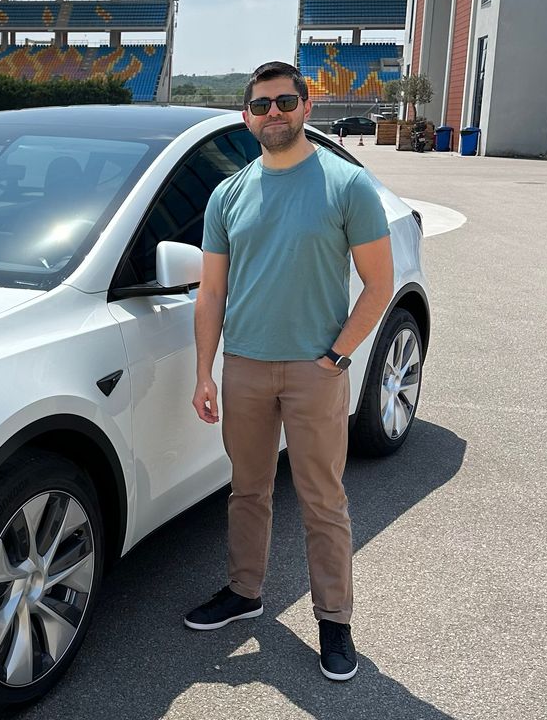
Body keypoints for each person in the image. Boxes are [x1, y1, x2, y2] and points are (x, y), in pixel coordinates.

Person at [184, 61, 394, 681]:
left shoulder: (345, 185)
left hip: (314, 370)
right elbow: (212, 293)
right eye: (259, 106)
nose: (271, 114)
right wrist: (206, 372)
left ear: (305, 106)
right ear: (247, 119)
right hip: (244, 367)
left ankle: (334, 622)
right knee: (246, 491)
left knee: (321, 499)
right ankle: (245, 593)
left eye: (283, 102)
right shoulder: (228, 195)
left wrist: (335, 357)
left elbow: (378, 285)